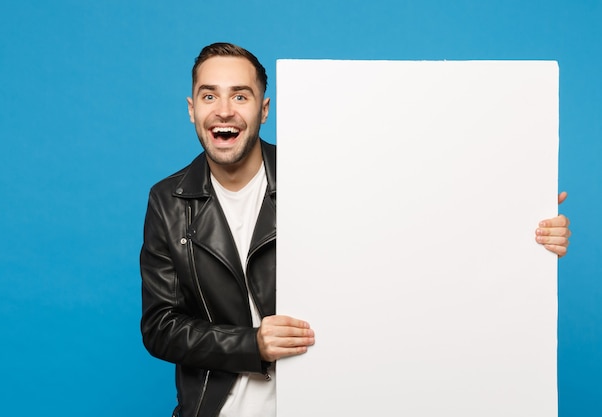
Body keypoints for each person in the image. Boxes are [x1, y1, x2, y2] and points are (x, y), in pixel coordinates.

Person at [140, 42, 571, 417]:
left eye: (241, 95)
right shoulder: (168, 201)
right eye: (209, 95)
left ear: (264, 109)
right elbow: (160, 325)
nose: (224, 110)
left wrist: (516, 220)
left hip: (327, 400)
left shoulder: (322, 171)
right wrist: (251, 344)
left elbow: (417, 226)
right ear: (192, 108)